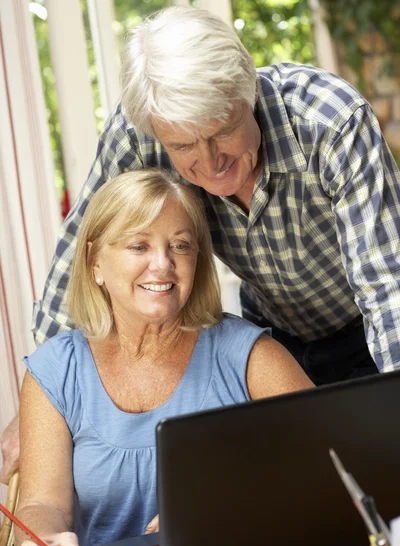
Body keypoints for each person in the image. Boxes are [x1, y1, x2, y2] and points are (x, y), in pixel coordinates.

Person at [2, 4, 400, 482]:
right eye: (184, 147)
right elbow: (82, 248)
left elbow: (387, 293)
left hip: (362, 332)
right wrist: (38, 405)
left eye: (222, 132)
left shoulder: (330, 122)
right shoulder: (142, 128)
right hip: (273, 335)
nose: (211, 164)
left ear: (249, 89)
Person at [15, 169, 312, 546]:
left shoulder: (250, 357)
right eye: (139, 245)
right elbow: (43, 503)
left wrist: (231, 506)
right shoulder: (54, 371)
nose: (163, 264)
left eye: (180, 245)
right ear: (94, 261)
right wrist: (41, 544)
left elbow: (329, 471)